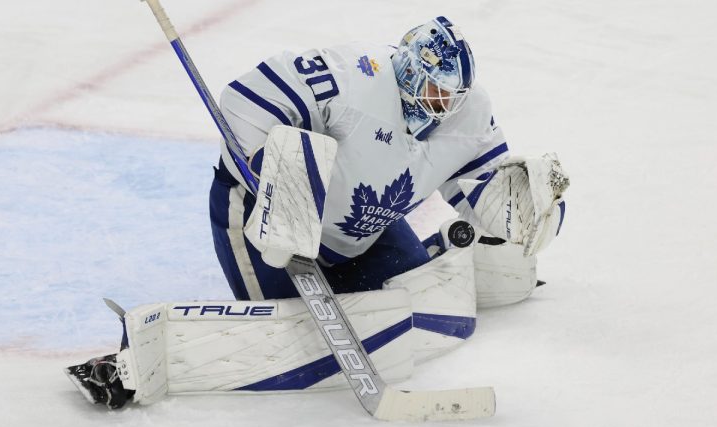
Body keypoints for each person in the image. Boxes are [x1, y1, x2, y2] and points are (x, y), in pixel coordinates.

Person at [210, 16, 568, 301]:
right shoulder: (351, 76)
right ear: (410, 71)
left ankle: (432, 251)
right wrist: (276, 185)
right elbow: (243, 100)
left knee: (418, 293)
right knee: (286, 323)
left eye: (452, 97)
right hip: (260, 215)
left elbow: (485, 189)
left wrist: (524, 209)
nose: (443, 107)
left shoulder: (467, 116)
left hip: (356, 236)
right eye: (435, 91)